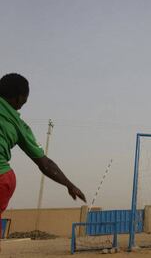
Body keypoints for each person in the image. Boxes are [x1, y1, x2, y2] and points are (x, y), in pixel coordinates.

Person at [0, 73, 86, 250]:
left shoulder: (16, 122)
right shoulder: (18, 124)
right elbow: (45, 163)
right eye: (25, 99)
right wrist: (70, 185)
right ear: (19, 98)